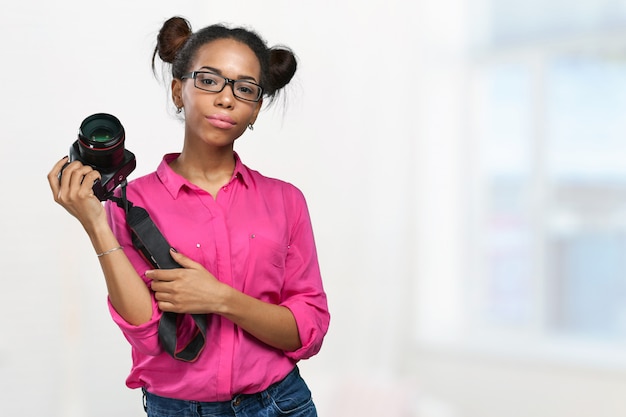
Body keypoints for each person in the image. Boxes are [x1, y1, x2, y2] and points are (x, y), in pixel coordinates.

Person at [47, 16, 330, 417]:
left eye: (244, 88)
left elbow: (308, 330)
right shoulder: (132, 202)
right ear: (179, 91)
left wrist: (220, 299)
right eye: (209, 80)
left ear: (255, 110)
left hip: (281, 404)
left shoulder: (286, 200)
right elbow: (147, 334)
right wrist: (95, 220)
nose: (226, 98)